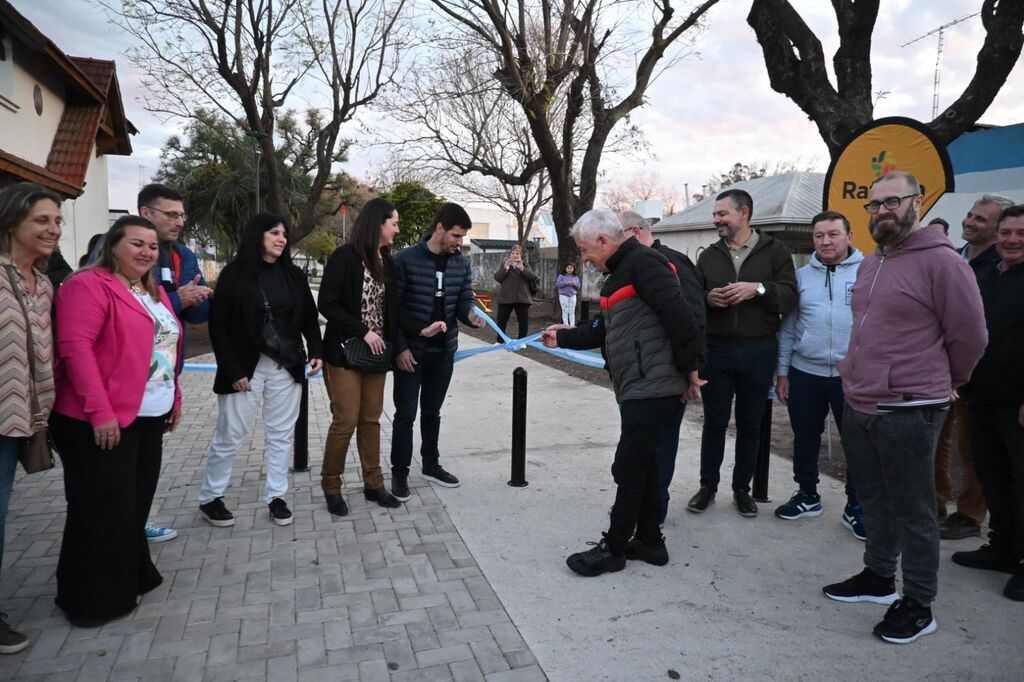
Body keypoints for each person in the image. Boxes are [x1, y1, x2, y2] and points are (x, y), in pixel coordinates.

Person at [822, 172, 987, 645]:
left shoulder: (943, 264)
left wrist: (947, 381)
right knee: (875, 500)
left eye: (893, 201)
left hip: (912, 408)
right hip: (862, 401)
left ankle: (919, 602)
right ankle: (877, 578)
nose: (882, 211)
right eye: (875, 205)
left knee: (914, 510)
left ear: (917, 202)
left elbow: (971, 336)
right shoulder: (873, 262)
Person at [541, 209, 701, 576]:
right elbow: (604, 329)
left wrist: (691, 369)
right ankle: (650, 541)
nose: (583, 258)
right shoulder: (620, 273)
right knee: (641, 464)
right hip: (638, 384)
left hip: (653, 385)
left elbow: (683, 317)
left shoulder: (645, 264)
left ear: (603, 241)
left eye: (584, 250)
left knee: (628, 466)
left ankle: (614, 548)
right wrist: (562, 335)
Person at [50, 216, 183, 627]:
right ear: (112, 245)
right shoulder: (87, 285)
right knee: (100, 511)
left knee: (132, 507)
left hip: (148, 415)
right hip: (102, 419)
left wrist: (174, 394)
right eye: (136, 243)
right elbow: (76, 350)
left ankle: (132, 576)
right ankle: (90, 600)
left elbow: (165, 347)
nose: (146, 251)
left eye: (152, 246)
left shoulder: (150, 290)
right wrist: (100, 412)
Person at [197, 213, 323, 528]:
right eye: (274, 233)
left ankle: (276, 497)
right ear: (257, 236)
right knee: (230, 435)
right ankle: (211, 497)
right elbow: (220, 326)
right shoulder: (234, 274)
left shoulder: (293, 274)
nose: (281, 238)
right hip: (244, 368)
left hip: (287, 365)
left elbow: (309, 316)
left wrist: (316, 351)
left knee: (281, 435)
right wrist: (233, 368)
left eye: (284, 234)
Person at [689, 188, 797, 517]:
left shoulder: (775, 251)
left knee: (751, 424)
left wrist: (758, 288)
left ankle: (742, 489)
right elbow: (694, 297)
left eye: (723, 214)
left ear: (744, 213)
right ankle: (708, 486)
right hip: (717, 351)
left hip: (759, 350)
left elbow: (790, 295)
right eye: (715, 215)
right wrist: (709, 299)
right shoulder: (709, 256)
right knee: (715, 423)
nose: (717, 220)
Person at [318, 199, 419, 515]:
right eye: (394, 222)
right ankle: (331, 486)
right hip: (346, 353)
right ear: (378, 224)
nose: (397, 229)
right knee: (345, 420)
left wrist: (424, 328)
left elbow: (395, 310)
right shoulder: (344, 257)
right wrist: (364, 331)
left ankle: (373, 484)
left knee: (371, 420)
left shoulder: (387, 263)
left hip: (377, 357)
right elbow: (327, 304)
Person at [774, 211, 866, 538]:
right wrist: (783, 372)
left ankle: (857, 505)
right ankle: (807, 495)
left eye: (833, 234)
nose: (826, 241)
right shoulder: (800, 278)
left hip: (852, 376)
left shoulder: (869, 272)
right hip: (805, 373)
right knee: (805, 437)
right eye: (819, 236)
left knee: (858, 443)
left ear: (849, 235)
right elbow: (787, 329)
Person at [0, 183, 62, 652]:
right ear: (11, 221)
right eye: (42, 220)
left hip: (18, 418)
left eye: (57, 221)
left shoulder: (43, 284)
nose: (53, 229)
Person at [390, 203, 486, 501]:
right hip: (411, 351)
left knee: (432, 412)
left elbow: (464, 299)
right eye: (457, 235)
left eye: (463, 237)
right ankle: (400, 473)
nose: (460, 242)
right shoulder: (405, 260)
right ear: (440, 228)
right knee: (405, 415)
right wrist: (401, 348)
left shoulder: (460, 263)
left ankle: (431, 464)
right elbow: (392, 310)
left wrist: (470, 314)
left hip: (442, 352)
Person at [954, 204, 1024, 601]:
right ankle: (1004, 549)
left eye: (1021, 233)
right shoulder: (994, 274)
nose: (1012, 240)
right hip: (982, 397)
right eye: (1006, 232)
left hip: (1017, 403)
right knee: (993, 476)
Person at [934, 194, 1014, 541]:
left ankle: (969, 515)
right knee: (936, 440)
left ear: (998, 230)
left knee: (973, 448)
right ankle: (935, 502)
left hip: (980, 375)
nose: (970, 222)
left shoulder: (1003, 267)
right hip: (941, 368)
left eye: (981, 219)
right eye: (970, 215)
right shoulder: (954, 258)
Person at [618, 210, 706, 524]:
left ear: (636, 230)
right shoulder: (632, 264)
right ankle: (639, 507)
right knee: (641, 449)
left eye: (619, 233)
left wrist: (690, 373)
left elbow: (692, 319)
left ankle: (653, 515)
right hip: (641, 377)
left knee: (659, 448)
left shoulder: (668, 262)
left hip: (668, 378)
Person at [137, 183, 213, 543]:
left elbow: (196, 314)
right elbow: (122, 303)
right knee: (121, 463)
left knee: (148, 460)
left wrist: (198, 296)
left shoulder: (183, 255)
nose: (179, 221)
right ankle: (120, 529)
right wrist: (174, 297)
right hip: (125, 378)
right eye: (171, 214)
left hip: (165, 375)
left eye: (182, 214)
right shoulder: (113, 248)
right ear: (145, 213)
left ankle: (137, 523)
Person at [493, 244, 537, 342]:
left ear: (521, 255)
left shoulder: (525, 265)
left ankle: (522, 341)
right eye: (513, 253)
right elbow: (497, 278)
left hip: (522, 298)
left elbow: (532, 277)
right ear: (510, 255)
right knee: (501, 321)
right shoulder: (505, 265)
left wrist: (522, 269)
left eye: (517, 253)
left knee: (523, 322)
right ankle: (500, 341)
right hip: (506, 298)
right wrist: (505, 269)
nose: (515, 255)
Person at [555, 262, 581, 326]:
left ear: (574, 269)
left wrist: (574, 284)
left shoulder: (575, 277)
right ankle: (565, 325)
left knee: (572, 311)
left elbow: (578, 287)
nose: (569, 269)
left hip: (572, 296)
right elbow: (558, 284)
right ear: (565, 268)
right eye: (568, 268)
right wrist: (566, 283)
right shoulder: (561, 276)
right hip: (563, 295)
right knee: (565, 310)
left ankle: (572, 325)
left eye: (571, 268)